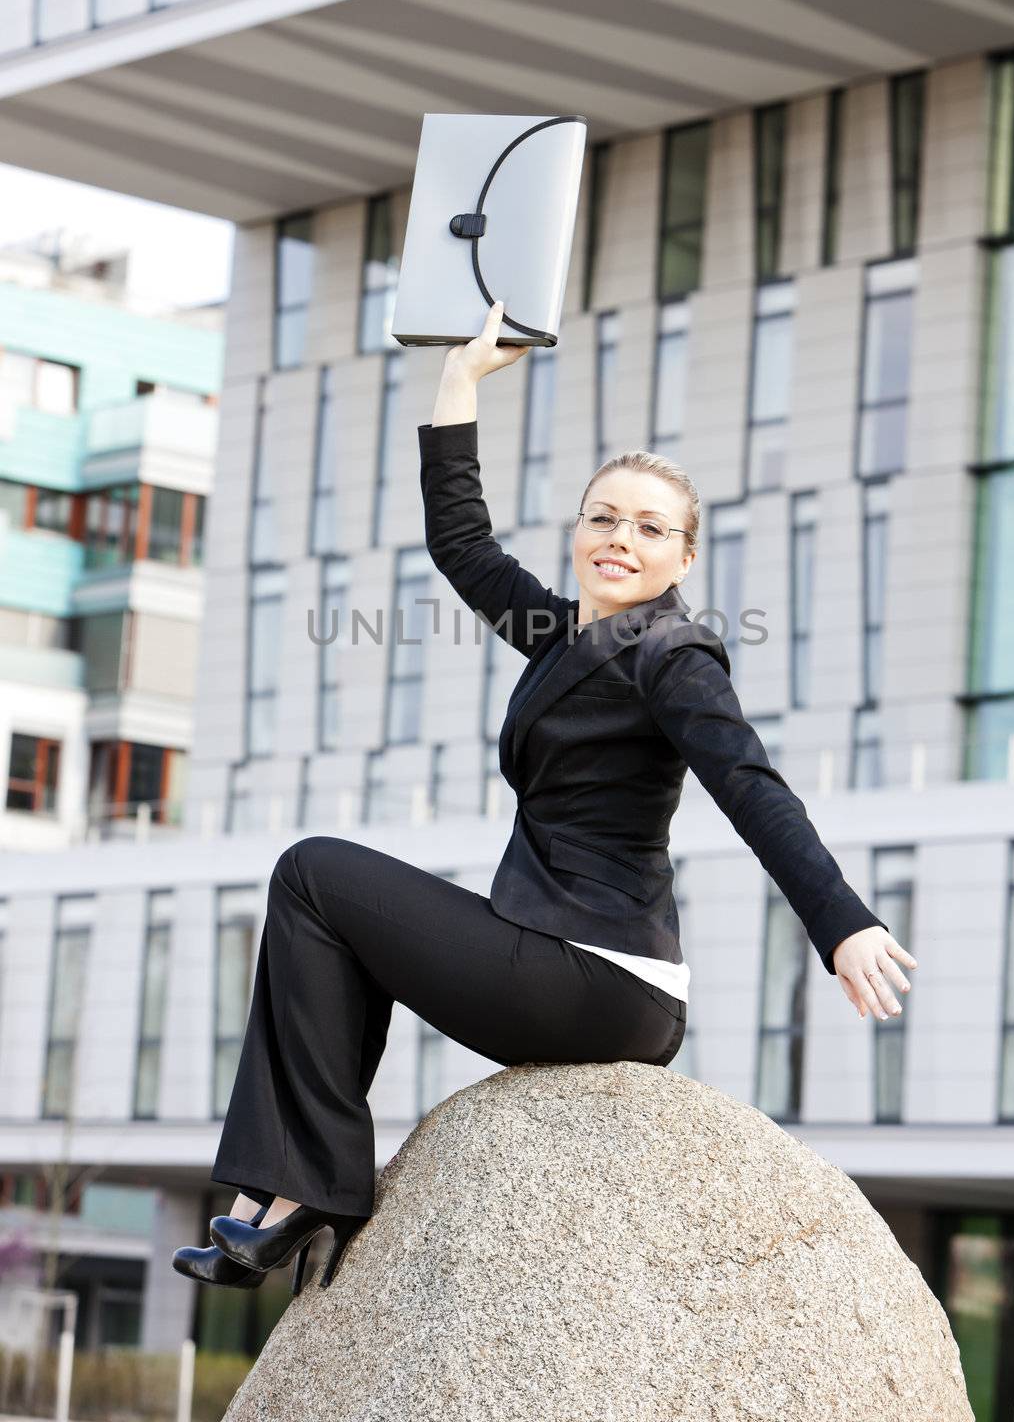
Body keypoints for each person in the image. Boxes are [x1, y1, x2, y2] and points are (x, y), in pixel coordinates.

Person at [174, 301, 918, 1298]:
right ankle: (291, 1193)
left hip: (600, 973)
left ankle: (304, 1186)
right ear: (578, 530)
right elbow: (460, 544)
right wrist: (459, 383)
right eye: (601, 515)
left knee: (312, 874)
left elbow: (748, 787)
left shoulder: (672, 652)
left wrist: (842, 924)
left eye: (648, 527)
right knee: (329, 912)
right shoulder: (566, 636)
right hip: (572, 967)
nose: (620, 537)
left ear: (682, 560)